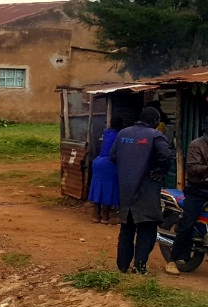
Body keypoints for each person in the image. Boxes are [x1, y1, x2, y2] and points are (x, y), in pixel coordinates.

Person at [111, 106, 173, 274]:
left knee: (127, 228)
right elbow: (166, 156)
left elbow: (113, 157)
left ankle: (122, 266)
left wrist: (129, 167)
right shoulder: (156, 135)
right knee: (147, 229)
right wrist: (161, 171)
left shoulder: (123, 133)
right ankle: (139, 267)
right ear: (154, 121)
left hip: (126, 190)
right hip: (146, 190)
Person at [169, 117, 208, 275]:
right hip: (198, 190)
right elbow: (192, 169)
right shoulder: (196, 145)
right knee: (187, 224)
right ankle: (173, 259)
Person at [89, 116, 122, 223]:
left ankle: (96, 215)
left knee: (98, 187)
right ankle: (105, 217)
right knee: (109, 189)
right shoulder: (120, 135)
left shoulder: (107, 132)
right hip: (109, 163)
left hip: (98, 161)